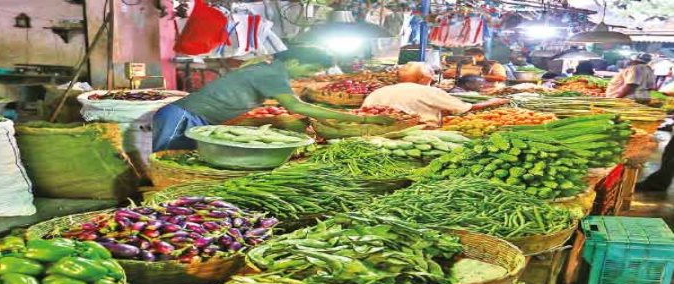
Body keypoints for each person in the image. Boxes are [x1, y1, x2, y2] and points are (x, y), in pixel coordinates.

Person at [152, 57, 394, 151]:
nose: (305, 75)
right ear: (293, 60)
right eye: (309, 67)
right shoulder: (273, 74)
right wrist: (364, 119)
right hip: (182, 115)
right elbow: (297, 107)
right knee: (165, 158)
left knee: (183, 158)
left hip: (199, 118)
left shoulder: (268, 70)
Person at [363, 63, 508, 123]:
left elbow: (364, 113)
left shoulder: (378, 92)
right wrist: (492, 102)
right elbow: (464, 108)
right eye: (431, 74)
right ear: (424, 77)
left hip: (377, 135)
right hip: (419, 135)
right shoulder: (429, 91)